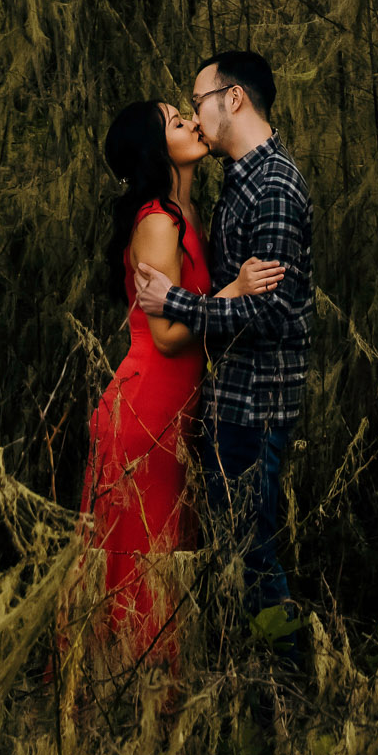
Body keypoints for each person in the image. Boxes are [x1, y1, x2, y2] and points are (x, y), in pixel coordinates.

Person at [84, 98, 282, 672]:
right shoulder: (156, 220)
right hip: (145, 408)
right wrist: (234, 292)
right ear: (156, 149)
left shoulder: (189, 214)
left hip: (177, 407)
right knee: (142, 552)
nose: (194, 122)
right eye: (177, 121)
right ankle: (125, 687)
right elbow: (169, 334)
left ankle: (151, 692)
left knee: (168, 549)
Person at [133, 51, 314, 657]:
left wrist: (183, 304)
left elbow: (268, 311)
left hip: (257, 406)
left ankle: (283, 690)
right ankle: (253, 687)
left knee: (255, 560)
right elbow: (236, 295)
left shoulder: (276, 187)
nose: (193, 113)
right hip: (230, 404)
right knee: (239, 554)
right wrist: (216, 296)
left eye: (198, 100)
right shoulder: (239, 182)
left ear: (233, 99)